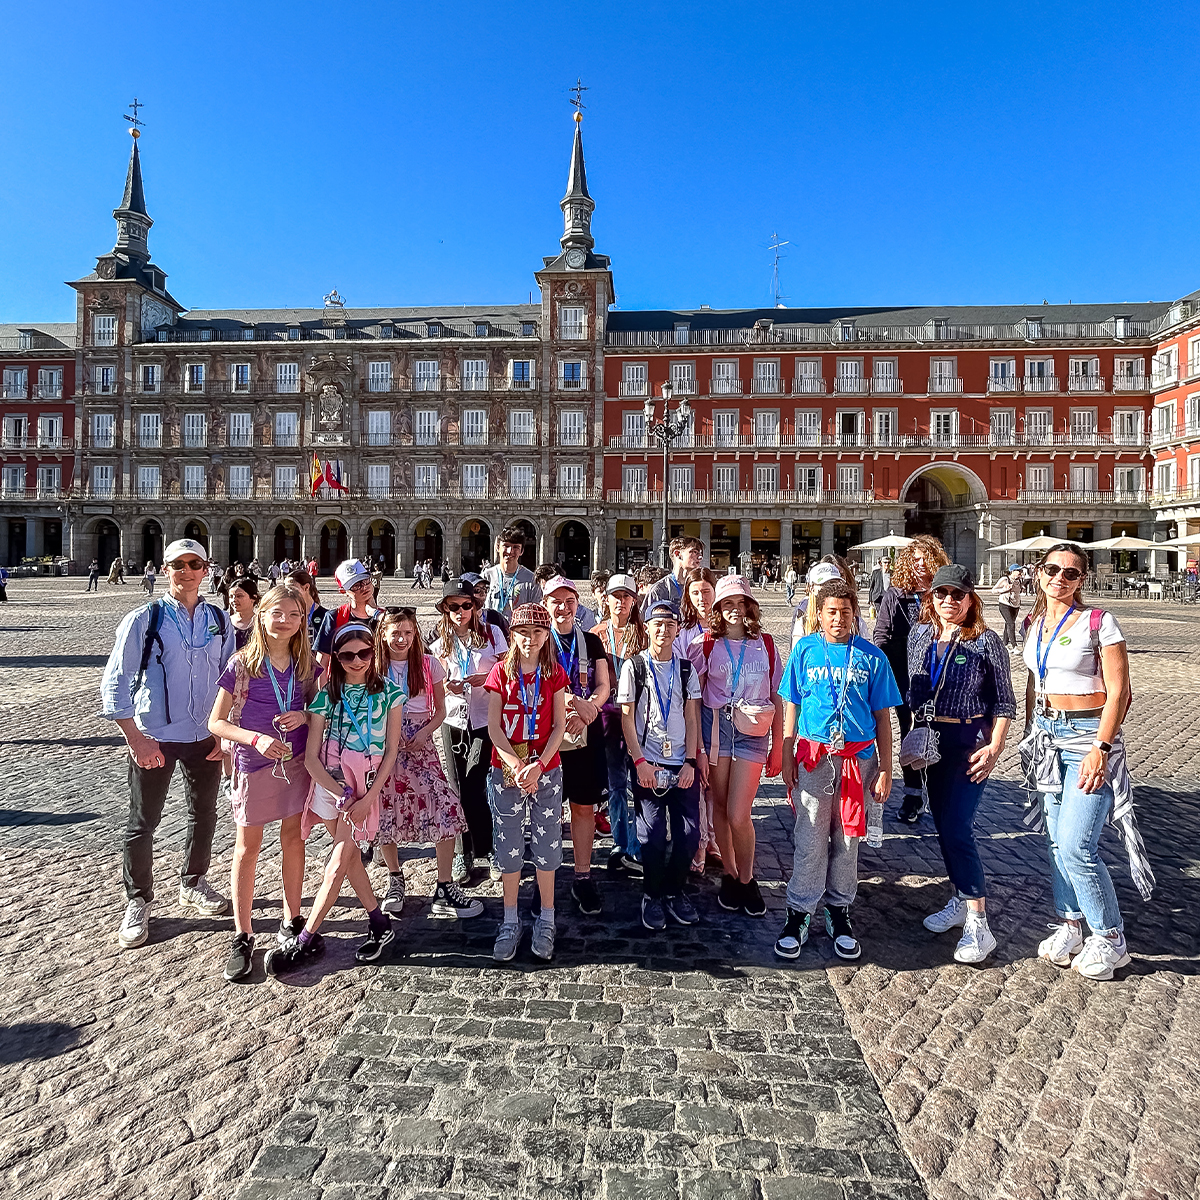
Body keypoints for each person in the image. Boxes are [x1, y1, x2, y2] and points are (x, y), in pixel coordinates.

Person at [1019, 543, 1147, 982]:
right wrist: (1030, 732)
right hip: (1047, 738)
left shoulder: (1099, 622)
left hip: (1087, 738)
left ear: (1081, 581)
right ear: (1039, 573)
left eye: (1071, 574)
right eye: (1053, 569)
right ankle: (1071, 925)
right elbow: (1035, 683)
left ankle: (1111, 937)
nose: (1060, 578)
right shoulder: (1033, 623)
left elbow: (1120, 692)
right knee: (1055, 841)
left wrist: (1102, 748)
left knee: (1077, 845)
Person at [100, 538, 235, 950]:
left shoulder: (219, 619)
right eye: (179, 564)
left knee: (204, 815)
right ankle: (137, 900)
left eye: (195, 564)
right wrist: (135, 738)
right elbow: (114, 681)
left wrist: (223, 729)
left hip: (203, 735)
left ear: (206, 570)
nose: (187, 571)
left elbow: (232, 677)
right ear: (165, 569)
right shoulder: (144, 618)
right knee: (143, 823)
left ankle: (193, 881)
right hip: (155, 735)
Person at [268, 622, 404, 973]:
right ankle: (379, 923)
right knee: (349, 861)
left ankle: (305, 939)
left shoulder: (390, 693)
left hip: (365, 788)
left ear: (374, 653)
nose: (357, 661)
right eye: (347, 655)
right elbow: (311, 757)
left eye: (364, 653)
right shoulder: (326, 695)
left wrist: (366, 798)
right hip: (331, 785)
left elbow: (390, 752)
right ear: (336, 658)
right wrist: (336, 792)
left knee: (336, 863)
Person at [777, 578, 901, 961]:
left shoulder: (872, 657)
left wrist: (885, 767)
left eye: (845, 612)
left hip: (857, 761)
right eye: (831, 611)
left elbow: (883, 716)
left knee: (847, 841)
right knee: (810, 837)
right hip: (814, 757)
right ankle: (799, 912)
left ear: (855, 614)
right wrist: (785, 753)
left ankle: (839, 910)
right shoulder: (804, 651)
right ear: (819, 613)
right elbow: (792, 705)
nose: (838, 618)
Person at [207, 583, 315, 981]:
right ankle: (243, 933)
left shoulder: (307, 665)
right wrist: (255, 737)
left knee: (293, 839)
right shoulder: (242, 664)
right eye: (277, 613)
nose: (284, 621)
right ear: (261, 615)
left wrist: (304, 717)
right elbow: (215, 722)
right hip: (254, 763)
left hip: (297, 762)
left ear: (302, 620)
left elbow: (320, 707)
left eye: (293, 615)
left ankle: (292, 918)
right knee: (248, 848)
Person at [908, 566, 1015, 964]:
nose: (949, 601)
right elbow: (914, 687)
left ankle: (978, 920)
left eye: (957, 594)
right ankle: (958, 895)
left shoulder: (987, 642)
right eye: (941, 594)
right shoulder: (920, 635)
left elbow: (1004, 701)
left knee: (958, 827)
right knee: (942, 825)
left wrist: (996, 746)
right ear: (931, 599)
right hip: (931, 741)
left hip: (969, 742)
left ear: (971, 599)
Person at [375, 609, 484, 921]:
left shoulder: (429, 664)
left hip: (421, 744)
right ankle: (395, 878)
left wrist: (425, 732)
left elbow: (439, 709)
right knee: (386, 810)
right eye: (396, 633)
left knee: (446, 806)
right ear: (383, 634)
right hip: (385, 746)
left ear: (416, 635)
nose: (402, 639)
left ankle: (444, 885)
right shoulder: (374, 666)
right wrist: (388, 738)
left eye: (408, 633)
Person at [687, 574, 783, 917]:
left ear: (749, 606)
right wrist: (696, 746)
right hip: (717, 730)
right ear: (717, 608)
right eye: (727, 603)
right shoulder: (704, 644)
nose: (734, 610)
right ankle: (730, 874)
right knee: (721, 809)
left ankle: (748, 877)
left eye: (740, 603)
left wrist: (778, 747)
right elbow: (694, 701)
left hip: (753, 731)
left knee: (741, 813)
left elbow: (776, 696)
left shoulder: (767, 644)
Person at [485, 602, 569, 962]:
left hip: (545, 770)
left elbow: (560, 726)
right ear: (512, 635)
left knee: (548, 843)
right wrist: (516, 764)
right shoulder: (499, 674)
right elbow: (493, 728)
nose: (530, 639)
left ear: (546, 635)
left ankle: (546, 917)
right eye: (523, 632)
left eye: (537, 632)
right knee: (509, 845)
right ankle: (510, 918)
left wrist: (539, 765)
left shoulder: (554, 673)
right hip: (507, 770)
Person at [618, 600, 703, 930]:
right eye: (657, 624)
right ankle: (651, 894)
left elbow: (693, 717)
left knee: (689, 834)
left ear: (677, 629)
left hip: (681, 763)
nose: (663, 630)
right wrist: (639, 762)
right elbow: (627, 719)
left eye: (670, 624)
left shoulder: (685, 670)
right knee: (651, 834)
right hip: (648, 764)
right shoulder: (634, 667)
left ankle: (674, 890)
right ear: (647, 628)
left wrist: (692, 762)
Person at [540, 576, 611, 916]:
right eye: (556, 600)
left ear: (577, 603)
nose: (563, 607)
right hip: (547, 735)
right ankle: (547, 874)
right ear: (545, 604)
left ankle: (583, 875)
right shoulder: (536, 642)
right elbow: (533, 684)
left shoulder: (592, 642)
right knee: (548, 809)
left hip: (585, 733)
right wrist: (572, 701)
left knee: (584, 807)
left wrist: (589, 710)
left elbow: (603, 685)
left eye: (569, 600)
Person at [430, 580, 509, 882]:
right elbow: (432, 680)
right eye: (454, 607)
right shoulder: (440, 643)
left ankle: (487, 849)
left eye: (466, 605)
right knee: (458, 788)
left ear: (475, 608)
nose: (461, 611)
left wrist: (486, 677)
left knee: (475, 785)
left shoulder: (493, 635)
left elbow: (508, 669)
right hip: (454, 721)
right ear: (446, 610)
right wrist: (445, 685)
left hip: (484, 719)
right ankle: (465, 853)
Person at [872, 534, 950, 824]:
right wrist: (882, 670)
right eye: (914, 559)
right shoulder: (896, 594)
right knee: (910, 730)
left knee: (945, 733)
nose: (920, 565)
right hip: (906, 676)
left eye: (925, 559)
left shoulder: (946, 591)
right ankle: (913, 794)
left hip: (943, 677)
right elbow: (882, 634)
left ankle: (942, 792)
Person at [589, 572, 648, 877]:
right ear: (606, 599)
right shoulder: (596, 634)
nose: (620, 602)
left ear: (634, 601)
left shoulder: (644, 633)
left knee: (639, 782)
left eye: (626, 597)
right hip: (607, 717)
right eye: (616, 596)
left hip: (638, 718)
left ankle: (637, 843)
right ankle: (619, 841)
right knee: (614, 783)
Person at [314, 559, 383, 668]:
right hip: (342, 682)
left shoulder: (383, 616)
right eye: (356, 586)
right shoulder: (334, 617)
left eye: (366, 581)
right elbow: (322, 660)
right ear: (343, 591)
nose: (364, 587)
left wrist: (375, 613)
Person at [484, 526, 540, 621]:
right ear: (498, 547)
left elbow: (535, 612)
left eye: (516, 547)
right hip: (490, 631)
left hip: (518, 633)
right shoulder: (487, 576)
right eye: (506, 546)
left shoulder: (531, 580)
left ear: (521, 551)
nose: (510, 552)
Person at [642, 536, 704, 617]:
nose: (700, 557)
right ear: (677, 554)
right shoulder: (659, 590)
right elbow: (646, 619)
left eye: (700, 553)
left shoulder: (700, 587)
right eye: (694, 552)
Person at [286, 568, 328, 654]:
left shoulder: (325, 615)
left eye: (291, 588)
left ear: (306, 587)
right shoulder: (286, 615)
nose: (288, 592)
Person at [461, 572, 510, 641]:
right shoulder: (456, 619)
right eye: (477, 590)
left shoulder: (495, 617)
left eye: (485, 589)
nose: (483, 594)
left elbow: (509, 644)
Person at [991, 564, 1025, 652]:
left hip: (1015, 605)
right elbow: (993, 590)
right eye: (1018, 571)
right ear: (1012, 571)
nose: (1020, 573)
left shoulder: (1019, 581)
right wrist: (1003, 590)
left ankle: (1004, 644)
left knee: (1008, 624)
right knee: (1011, 624)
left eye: (1021, 571)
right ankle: (1014, 646)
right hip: (1005, 604)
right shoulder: (1005, 579)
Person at [228, 578, 260, 651]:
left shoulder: (261, 623)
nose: (234, 600)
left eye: (239, 596)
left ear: (253, 598)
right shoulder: (226, 622)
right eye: (231, 596)